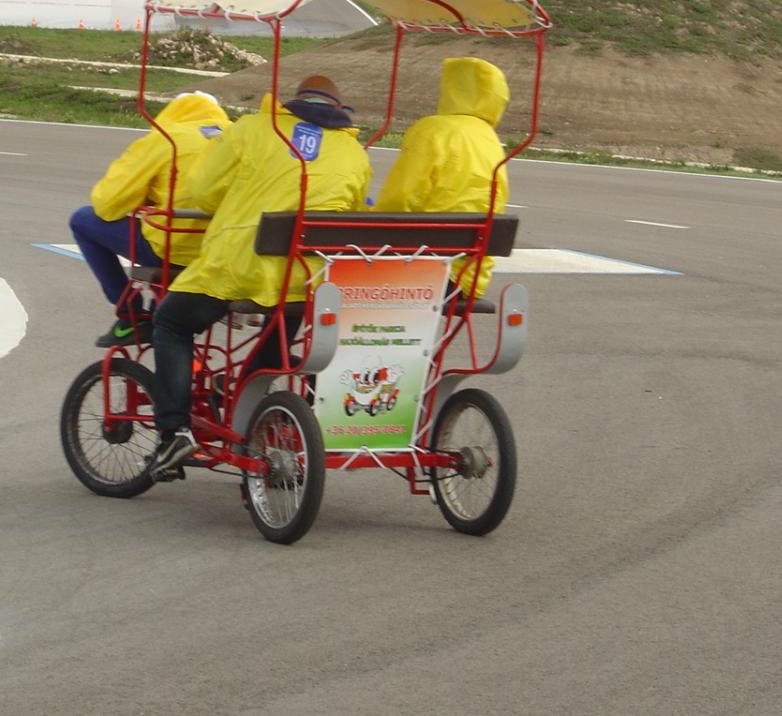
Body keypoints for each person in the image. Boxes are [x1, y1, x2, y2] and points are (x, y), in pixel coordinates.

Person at [146, 75, 372, 473]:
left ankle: (174, 433)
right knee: (276, 339)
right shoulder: (353, 152)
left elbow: (204, 192)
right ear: (339, 110)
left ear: (294, 102)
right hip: (307, 280)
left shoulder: (254, 128)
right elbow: (355, 210)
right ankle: (247, 410)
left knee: (170, 323)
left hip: (239, 268)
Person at [69, 91, 231, 347]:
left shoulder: (166, 137)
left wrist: (145, 198)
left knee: (82, 220)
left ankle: (129, 312)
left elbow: (108, 203)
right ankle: (162, 314)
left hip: (172, 250)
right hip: (224, 253)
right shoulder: (237, 137)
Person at [374, 56, 510, 301]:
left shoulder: (432, 130)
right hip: (468, 278)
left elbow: (401, 198)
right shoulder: (489, 139)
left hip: (422, 270)